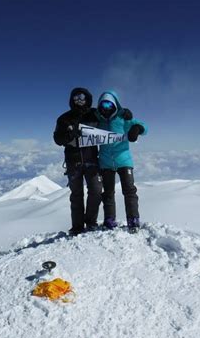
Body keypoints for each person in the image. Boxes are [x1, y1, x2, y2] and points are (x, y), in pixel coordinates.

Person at [95, 91, 148, 233]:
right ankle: (109, 220)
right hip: (105, 162)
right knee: (108, 193)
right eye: (103, 104)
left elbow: (144, 127)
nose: (106, 107)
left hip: (124, 160)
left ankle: (133, 219)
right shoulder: (98, 121)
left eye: (109, 104)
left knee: (129, 190)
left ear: (115, 104)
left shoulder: (123, 118)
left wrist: (137, 128)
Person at [53, 87, 102, 235]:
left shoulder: (95, 114)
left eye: (82, 97)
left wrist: (124, 113)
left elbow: (110, 116)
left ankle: (91, 222)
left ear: (88, 98)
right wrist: (70, 135)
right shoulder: (64, 119)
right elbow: (57, 139)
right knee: (76, 195)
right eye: (76, 98)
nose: (79, 100)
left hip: (92, 160)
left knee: (96, 191)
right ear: (71, 100)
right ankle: (78, 226)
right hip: (73, 162)